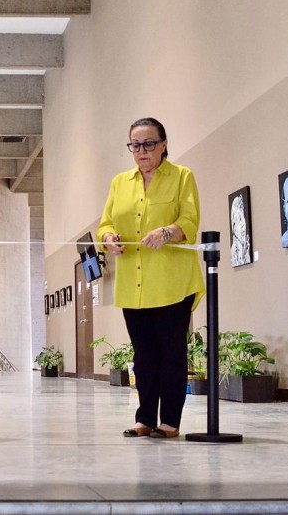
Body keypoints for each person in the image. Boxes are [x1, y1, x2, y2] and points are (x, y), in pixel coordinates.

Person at [97, 117, 205, 440]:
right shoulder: (120, 183)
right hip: (134, 285)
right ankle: (144, 418)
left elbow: (190, 221)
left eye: (148, 144)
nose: (141, 151)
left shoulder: (182, 176)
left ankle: (169, 421)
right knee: (143, 356)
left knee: (171, 354)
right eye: (135, 145)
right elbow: (105, 224)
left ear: (164, 145)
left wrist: (168, 231)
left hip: (172, 283)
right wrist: (108, 238)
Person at [230, 193, 251, 266]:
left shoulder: (247, 248)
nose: (243, 224)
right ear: (234, 226)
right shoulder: (234, 254)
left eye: (243, 219)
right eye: (239, 219)